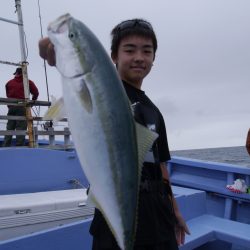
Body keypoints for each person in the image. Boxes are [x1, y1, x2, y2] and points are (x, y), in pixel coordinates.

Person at [39, 18, 189, 250]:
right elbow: (52, 53)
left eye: (146, 51)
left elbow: (161, 167)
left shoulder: (154, 111)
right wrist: (54, 50)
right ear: (113, 57)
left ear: (153, 59)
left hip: (160, 218)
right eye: (130, 50)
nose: (139, 57)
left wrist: (175, 212)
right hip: (111, 219)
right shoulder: (103, 89)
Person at [3, 67, 39, 147]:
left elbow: (8, 95)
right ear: (24, 74)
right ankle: (19, 146)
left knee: (10, 127)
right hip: (22, 107)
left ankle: (6, 145)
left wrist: (10, 106)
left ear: (16, 73)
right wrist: (32, 101)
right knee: (21, 128)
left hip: (12, 108)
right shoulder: (28, 82)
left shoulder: (9, 83)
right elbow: (36, 92)